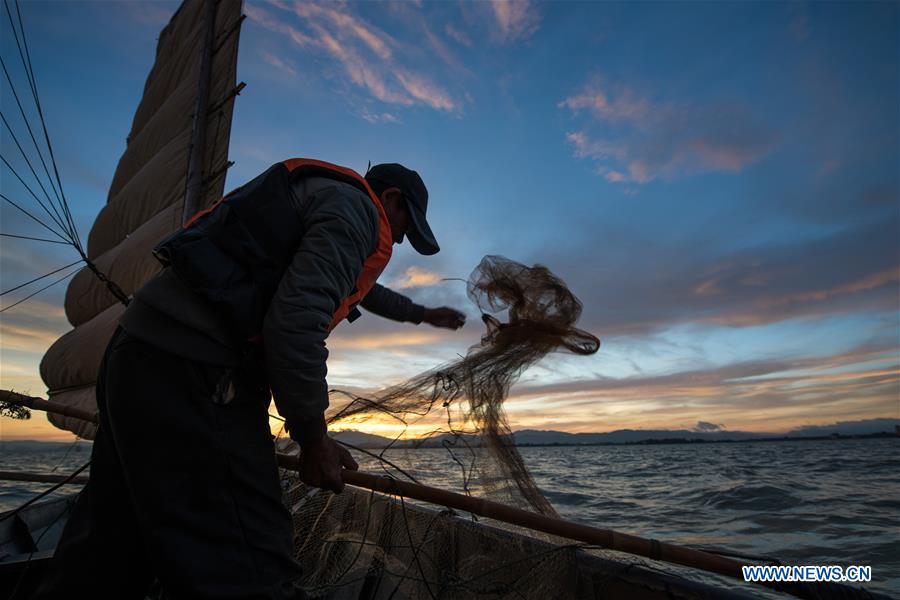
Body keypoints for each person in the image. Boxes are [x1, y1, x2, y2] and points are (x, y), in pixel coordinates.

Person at [35, 159, 465, 600]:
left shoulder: (321, 196)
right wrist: (313, 436)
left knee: (108, 547)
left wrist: (421, 314)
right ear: (390, 198)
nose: (397, 239)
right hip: (194, 371)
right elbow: (295, 323)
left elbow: (365, 290)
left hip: (137, 354)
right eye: (403, 226)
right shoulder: (357, 211)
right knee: (248, 563)